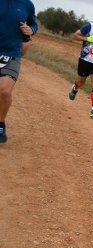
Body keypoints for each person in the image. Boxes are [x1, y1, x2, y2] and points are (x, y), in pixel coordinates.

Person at [0, 0, 37, 144]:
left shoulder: (27, 4)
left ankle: (1, 122)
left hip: (11, 53)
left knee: (5, 91)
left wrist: (31, 30)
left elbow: (33, 24)